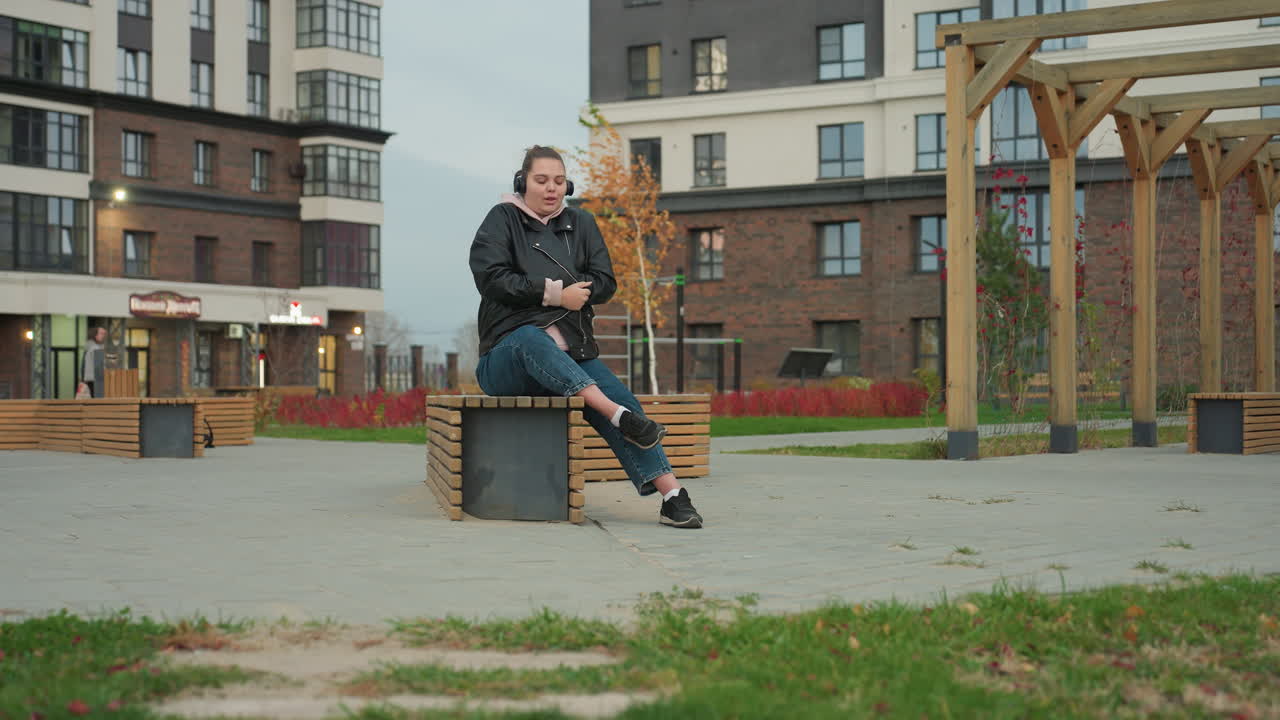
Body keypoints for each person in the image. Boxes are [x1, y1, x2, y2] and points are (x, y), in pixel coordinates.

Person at [469, 145, 704, 529]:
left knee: (624, 398)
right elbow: (491, 277)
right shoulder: (502, 219)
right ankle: (614, 414)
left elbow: (606, 280)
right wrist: (555, 294)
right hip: (506, 360)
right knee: (530, 338)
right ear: (522, 182)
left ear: (568, 185)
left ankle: (673, 496)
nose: (551, 189)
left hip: (572, 360)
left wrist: (586, 292)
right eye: (542, 180)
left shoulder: (582, 223)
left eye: (559, 181)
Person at [81, 326, 106, 398]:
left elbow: (83, 365)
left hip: (90, 378)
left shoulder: (88, 347)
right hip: (96, 379)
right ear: (95, 335)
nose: (103, 336)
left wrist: (83, 378)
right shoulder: (94, 348)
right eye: (101, 334)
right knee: (97, 402)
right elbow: (100, 365)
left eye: (104, 334)